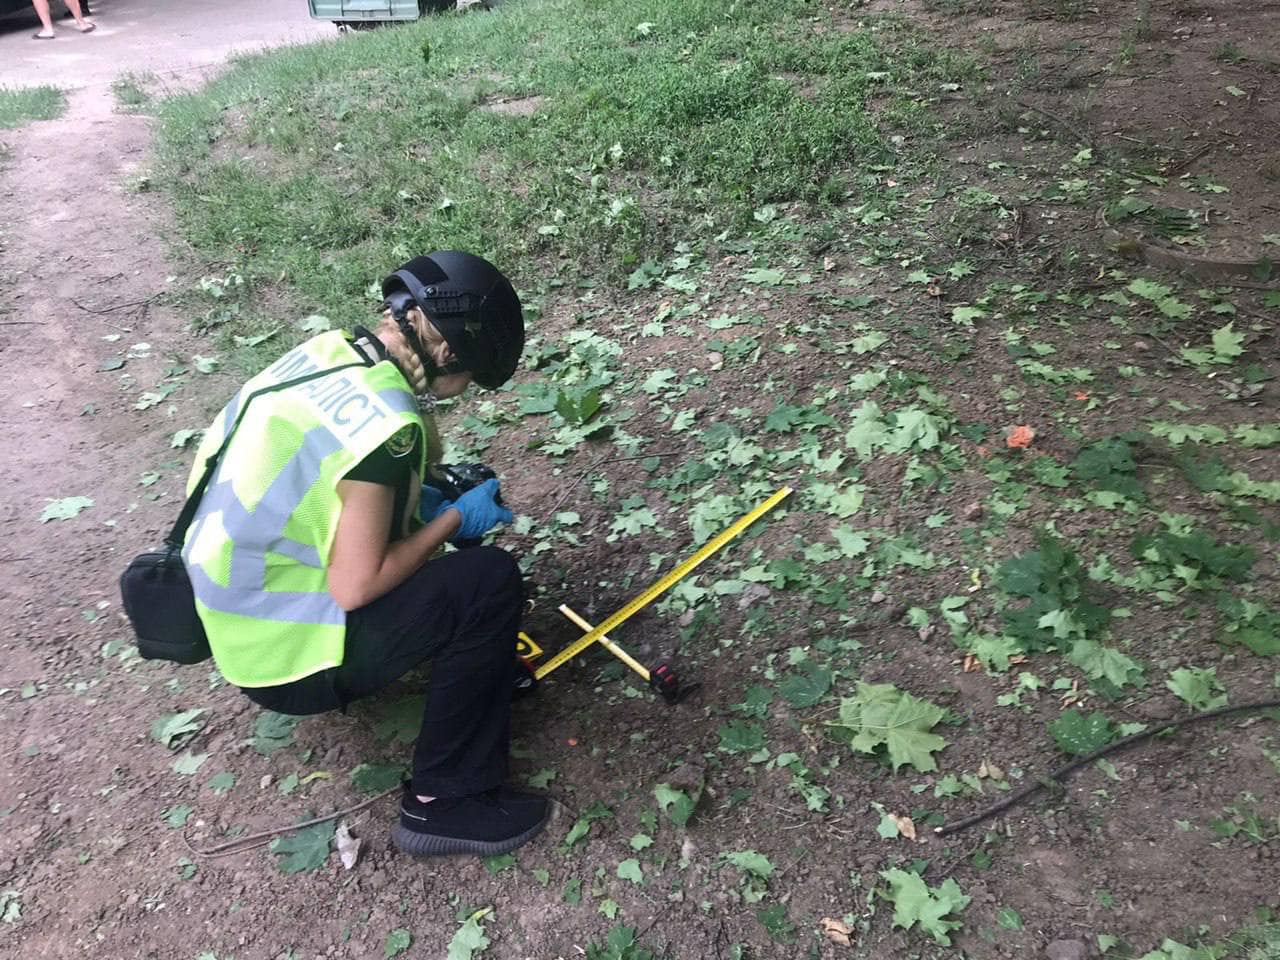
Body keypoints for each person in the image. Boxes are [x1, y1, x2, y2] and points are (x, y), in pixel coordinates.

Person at [181, 251, 549, 857]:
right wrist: (454, 518)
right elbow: (356, 585)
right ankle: (443, 802)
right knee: (488, 580)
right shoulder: (390, 428)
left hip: (235, 628)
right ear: (448, 353)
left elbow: (320, 484)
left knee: (444, 564)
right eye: (469, 379)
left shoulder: (328, 355)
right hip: (286, 662)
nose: (464, 393)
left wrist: (416, 502)